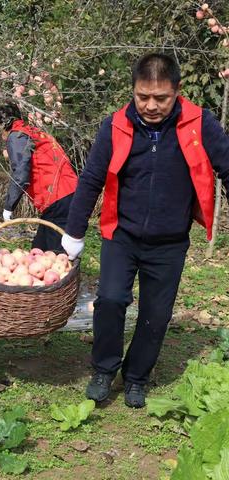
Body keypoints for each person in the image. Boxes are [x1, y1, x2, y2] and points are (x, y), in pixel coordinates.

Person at [61, 53, 229, 408]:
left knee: (157, 315)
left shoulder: (200, 124)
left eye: (161, 98)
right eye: (143, 97)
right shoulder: (116, 125)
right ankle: (104, 370)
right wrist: (73, 234)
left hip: (169, 242)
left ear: (177, 91)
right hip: (121, 235)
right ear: (133, 91)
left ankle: (137, 377)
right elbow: (91, 180)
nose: (151, 106)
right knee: (110, 300)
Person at [0, 104, 78, 251]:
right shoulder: (34, 133)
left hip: (56, 197)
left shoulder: (17, 136)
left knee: (55, 254)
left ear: (2, 124)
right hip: (65, 194)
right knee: (39, 250)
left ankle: (69, 272)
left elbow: (20, 173)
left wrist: (9, 206)